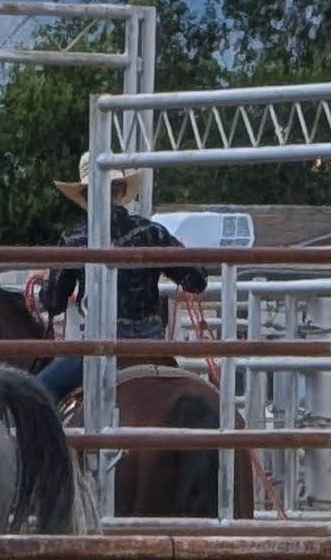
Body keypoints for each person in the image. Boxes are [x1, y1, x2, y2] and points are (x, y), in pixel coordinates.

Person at [33, 172, 206, 402]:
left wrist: (47, 280)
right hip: (151, 345)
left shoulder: (75, 238)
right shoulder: (151, 232)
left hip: (99, 344)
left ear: (84, 196)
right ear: (121, 192)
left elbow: (53, 302)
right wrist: (184, 255)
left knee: (37, 392)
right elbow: (197, 281)